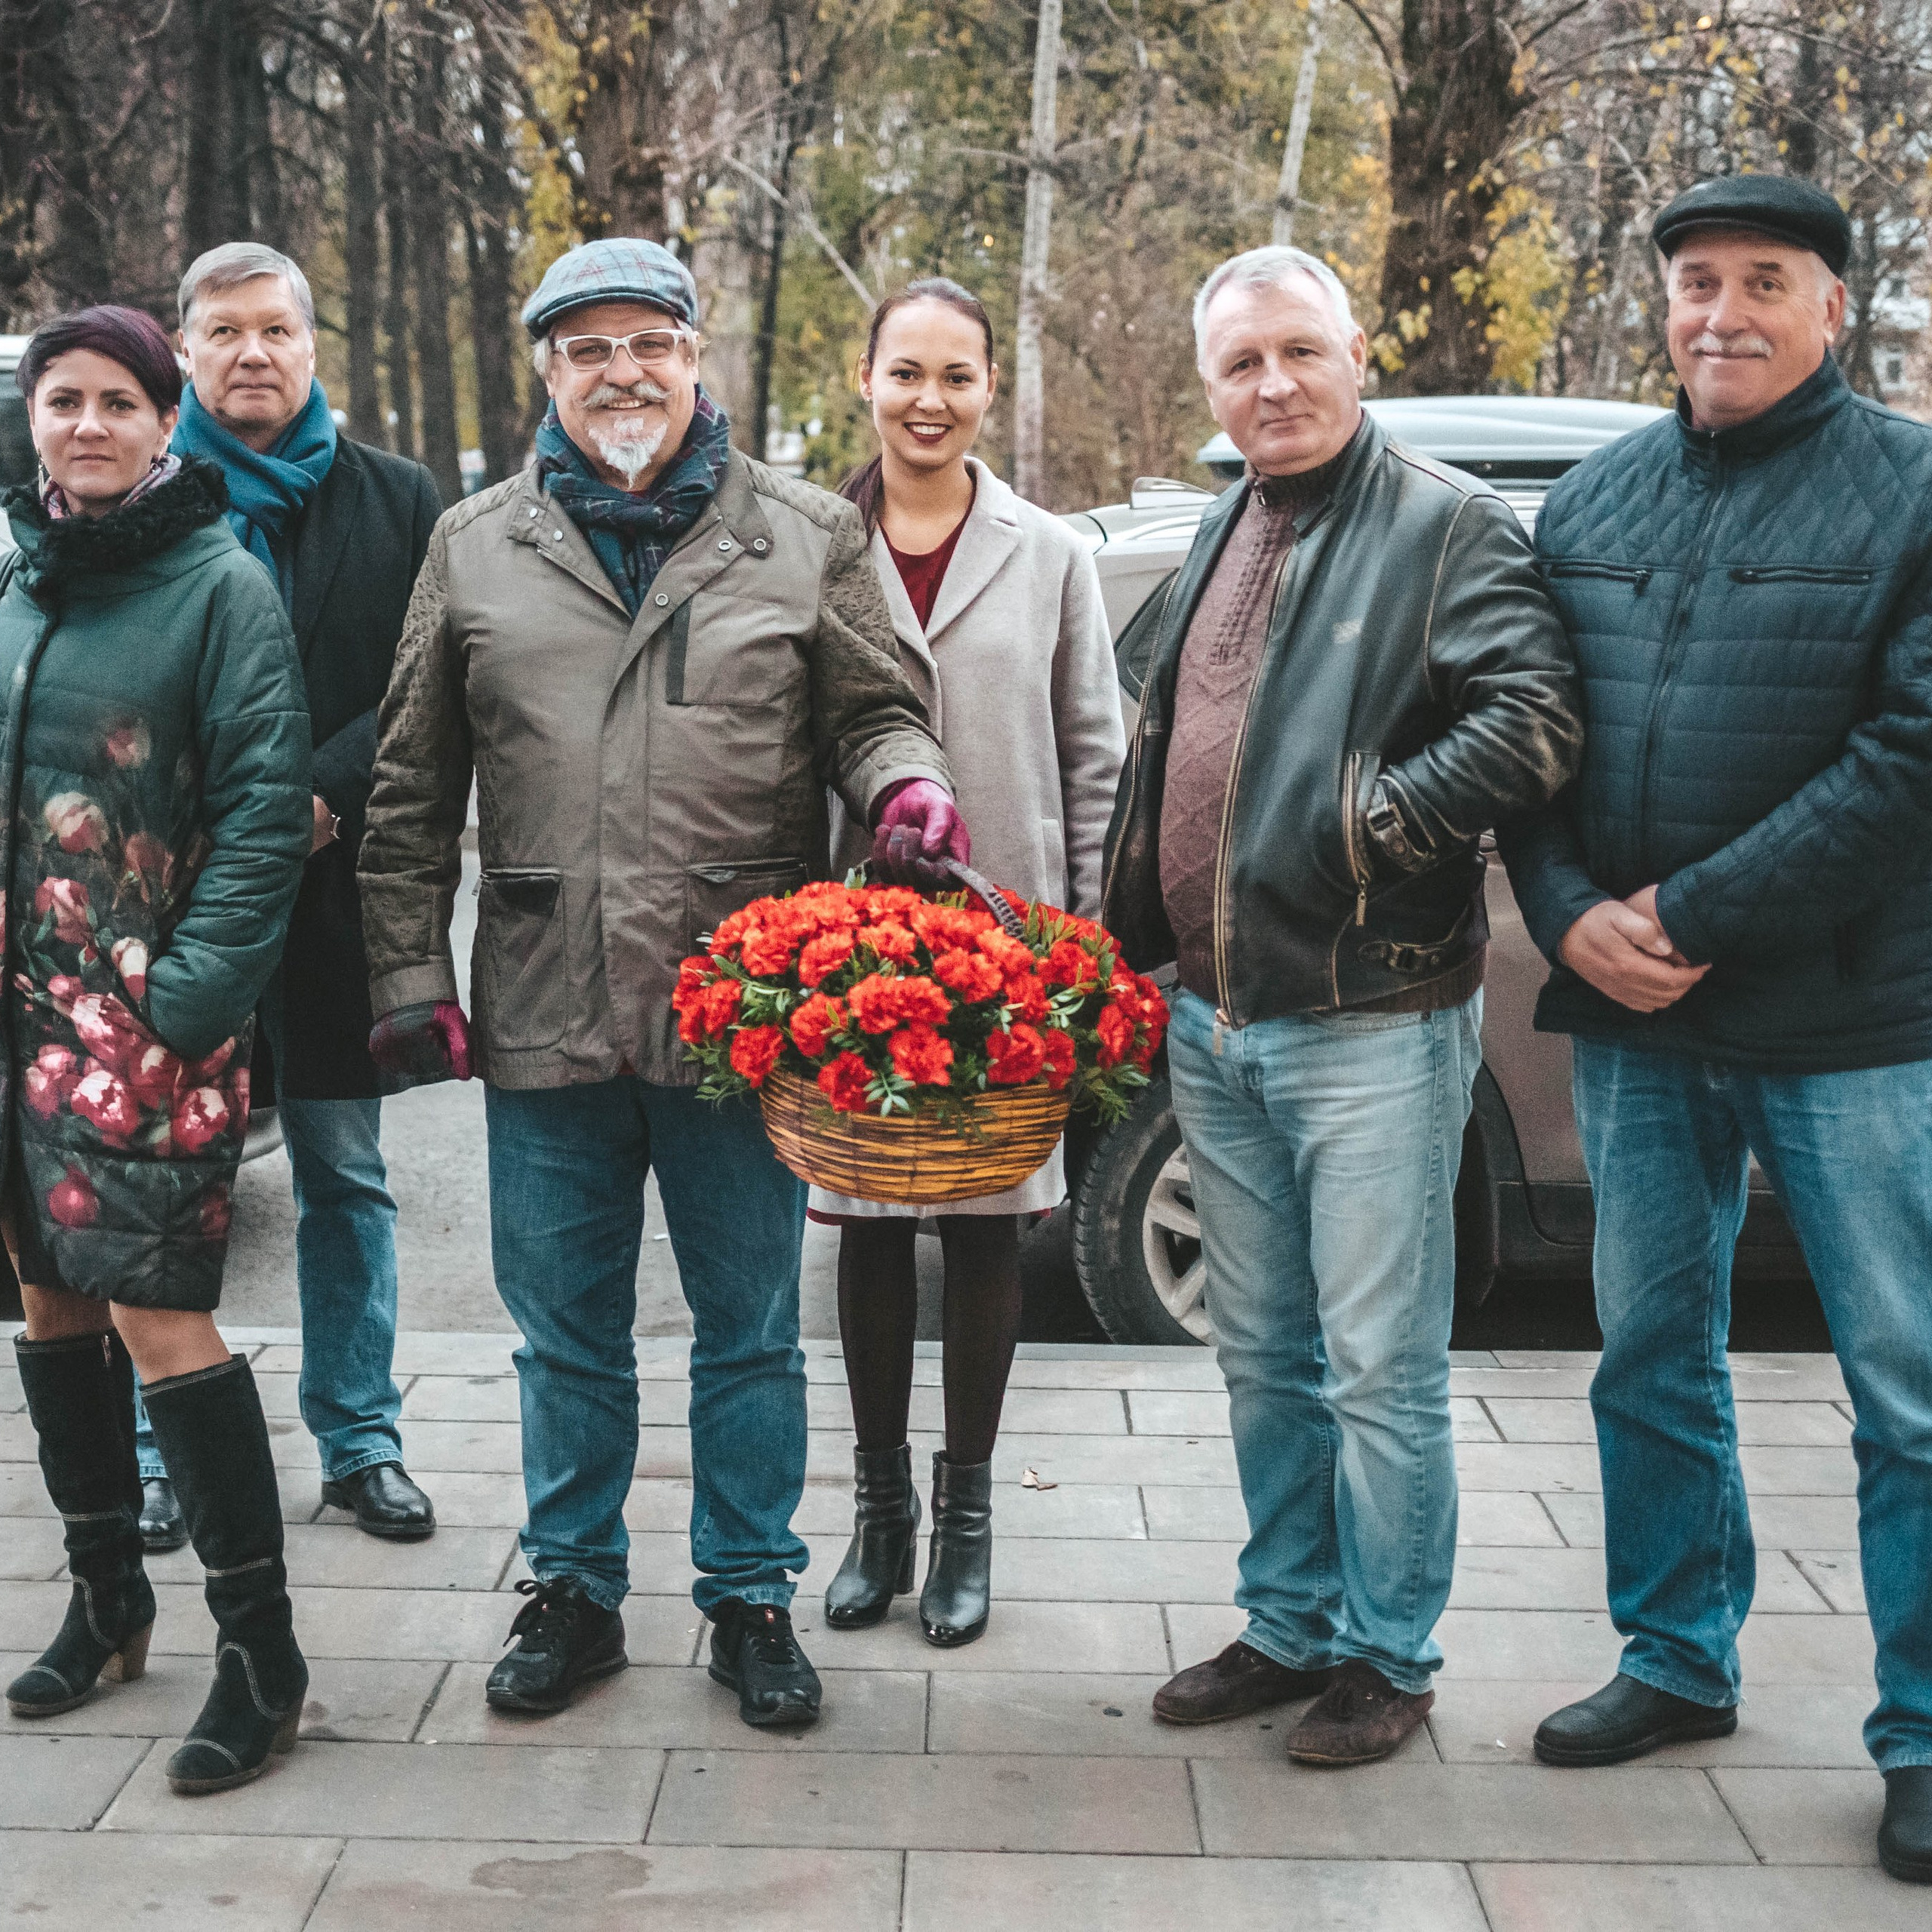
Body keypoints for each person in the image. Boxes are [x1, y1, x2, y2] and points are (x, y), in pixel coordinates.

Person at [357, 238, 962, 1727]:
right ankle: (573, 1590)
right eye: (587, 348)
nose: (620, 372)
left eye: (648, 342)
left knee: (748, 1331)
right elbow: (410, 786)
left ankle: (749, 1594)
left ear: (696, 355)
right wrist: (404, 973)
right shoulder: (473, 546)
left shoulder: (805, 534)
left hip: (739, 1010)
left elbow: (875, 715)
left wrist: (909, 788)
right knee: (565, 1333)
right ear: (547, 373)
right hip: (544, 1002)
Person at [1499, 175, 1932, 1884]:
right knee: (1648, 1350)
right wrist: (1562, 912)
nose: (1722, 311)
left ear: (1832, 304)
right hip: (1637, 1029)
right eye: (1696, 280)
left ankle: (1920, 1731)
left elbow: (1910, 761)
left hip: (1853, 1026)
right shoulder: (1593, 496)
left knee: (1906, 1389)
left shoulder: (1914, 489)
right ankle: (1676, 1655)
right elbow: (1528, 737)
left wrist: (1687, 912)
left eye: (1764, 279)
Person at [1102, 245, 1581, 1764]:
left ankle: (1386, 1654)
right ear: (1209, 386)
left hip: (1371, 1015)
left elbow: (1534, 719)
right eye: (1241, 363)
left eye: (1300, 351)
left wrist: (1367, 824)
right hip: (1218, 1020)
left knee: (1378, 1365)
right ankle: (1289, 1619)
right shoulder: (1221, 521)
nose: (1274, 384)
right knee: (1263, 1354)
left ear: (1356, 353)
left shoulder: (1444, 524)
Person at [0, 307, 312, 1792]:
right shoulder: (20, 573)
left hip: (139, 1030)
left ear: (162, 421)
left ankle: (262, 1657)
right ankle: (108, 1600)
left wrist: (183, 1003)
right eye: (62, 399)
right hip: (18, 1022)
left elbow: (263, 812)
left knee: (158, 1319)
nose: (87, 425)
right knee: (50, 1303)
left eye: (118, 401)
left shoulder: (219, 585)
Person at [815, 279, 1124, 1647]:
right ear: (865, 380)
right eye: (906, 373)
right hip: (855, 955)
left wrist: (1084, 952)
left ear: (990, 387)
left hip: (1009, 951)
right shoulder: (816, 545)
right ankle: (878, 1513)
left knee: (989, 1222)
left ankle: (968, 1519)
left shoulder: (1050, 555)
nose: (929, 401)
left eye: (957, 375)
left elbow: (1095, 758)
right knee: (873, 1225)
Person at [125, 244, 445, 1554]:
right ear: (185, 351)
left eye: (274, 328)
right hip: (176, 904)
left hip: (331, 895)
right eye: (223, 330)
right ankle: (159, 1451)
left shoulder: (397, 498)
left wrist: (313, 795)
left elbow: (429, 683)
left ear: (312, 345)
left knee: (346, 1179)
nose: (251, 352)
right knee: (168, 1187)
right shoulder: (145, 500)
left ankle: (361, 1442)